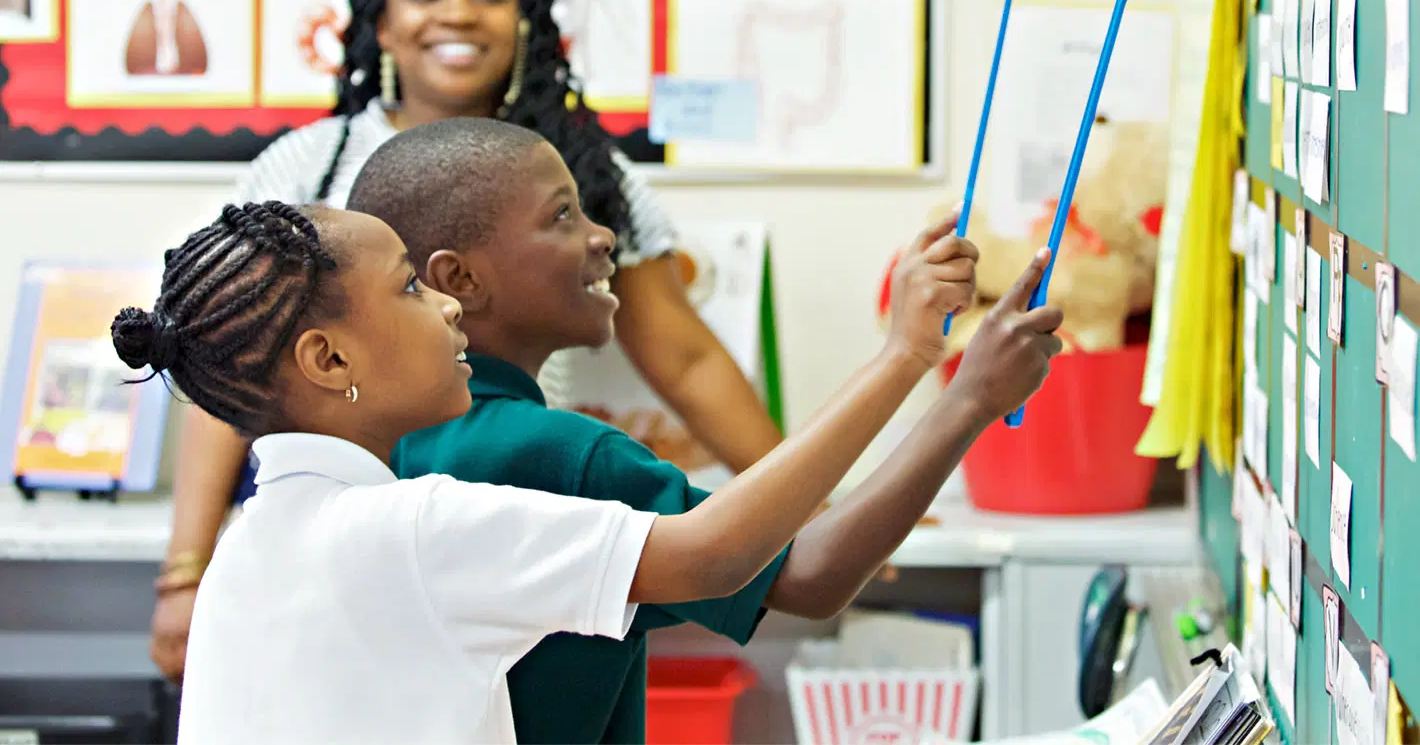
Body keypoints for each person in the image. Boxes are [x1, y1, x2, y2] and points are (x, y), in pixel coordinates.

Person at [151, 0, 787, 681]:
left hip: (513, 506)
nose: (458, 12)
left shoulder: (580, 168)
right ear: (382, 24)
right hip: (344, 531)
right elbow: (231, 366)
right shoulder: (307, 169)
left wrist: (801, 498)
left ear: (524, 23)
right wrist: (186, 569)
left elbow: (684, 357)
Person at [109, 199, 1003, 745]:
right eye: (410, 290)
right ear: (330, 359)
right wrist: (905, 356)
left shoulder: (247, 545)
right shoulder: (412, 527)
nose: (446, 302)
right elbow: (715, 554)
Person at [346, 118, 1065, 743]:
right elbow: (809, 575)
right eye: (562, 216)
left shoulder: (379, 443)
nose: (603, 236)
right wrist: (959, 395)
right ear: (462, 281)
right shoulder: (559, 456)